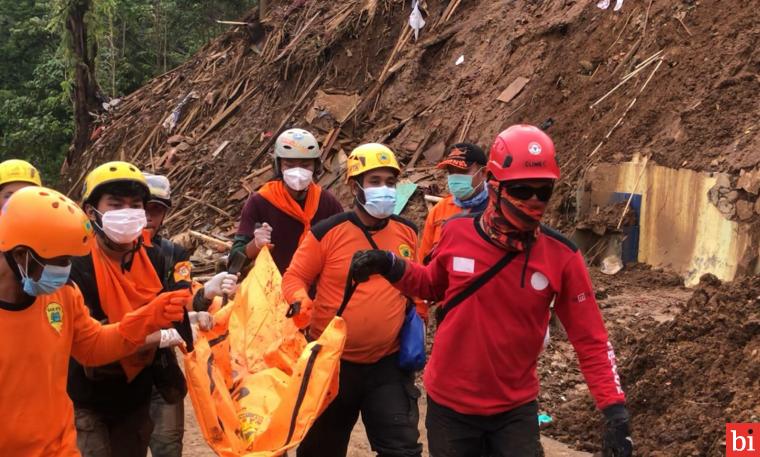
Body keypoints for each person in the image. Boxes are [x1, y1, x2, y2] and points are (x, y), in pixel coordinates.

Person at [350, 125, 633, 457]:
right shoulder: (456, 233)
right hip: (450, 409)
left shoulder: (562, 257)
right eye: (522, 189)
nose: (533, 200)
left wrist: (615, 413)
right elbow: (430, 284)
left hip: (514, 410)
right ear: (494, 185)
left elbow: (592, 341)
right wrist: (391, 265)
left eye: (543, 191)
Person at [0, 185, 189, 456]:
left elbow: (93, 346)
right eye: (60, 260)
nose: (66, 270)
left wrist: (148, 317)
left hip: (61, 448)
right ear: (20, 255)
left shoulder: (62, 294)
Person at [65, 161, 227, 457]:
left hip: (137, 390)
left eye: (135, 205)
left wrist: (193, 308)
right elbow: (89, 339)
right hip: (89, 396)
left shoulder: (156, 258)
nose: (127, 213)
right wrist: (162, 334)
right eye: (115, 205)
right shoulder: (76, 263)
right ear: (91, 212)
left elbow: (177, 305)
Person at [282, 143, 422, 457]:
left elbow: (418, 281)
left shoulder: (408, 233)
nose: (384, 190)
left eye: (390, 182)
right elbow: (294, 277)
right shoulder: (327, 232)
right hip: (332, 364)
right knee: (321, 451)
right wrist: (300, 301)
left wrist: (419, 317)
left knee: (402, 450)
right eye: (374, 182)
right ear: (353, 185)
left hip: (388, 363)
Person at [142, 172, 238, 457]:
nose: (148, 216)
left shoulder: (174, 255)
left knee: (168, 447)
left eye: (156, 209)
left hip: (161, 372)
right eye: (142, 207)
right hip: (111, 376)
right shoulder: (100, 256)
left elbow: (182, 301)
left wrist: (205, 296)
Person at [231, 128, 343, 274]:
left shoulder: (327, 203)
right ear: (278, 166)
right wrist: (255, 245)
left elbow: (344, 249)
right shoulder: (260, 202)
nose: (298, 171)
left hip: (317, 289)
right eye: (289, 165)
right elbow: (233, 262)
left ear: (316, 167)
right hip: (273, 289)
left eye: (305, 165)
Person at [419, 143, 489, 265]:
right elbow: (423, 261)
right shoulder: (439, 210)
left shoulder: (498, 208)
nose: (456, 177)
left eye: (462, 171)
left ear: (483, 173)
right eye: (451, 172)